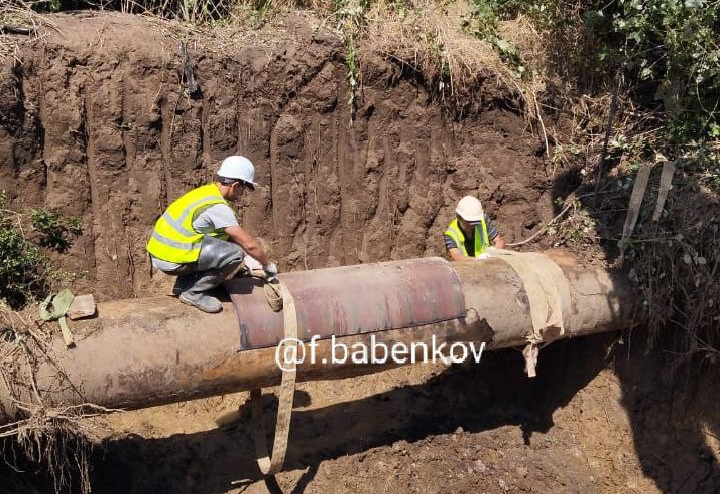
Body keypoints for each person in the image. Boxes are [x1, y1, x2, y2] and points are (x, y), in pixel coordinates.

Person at [146, 156, 278, 313]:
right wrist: (266, 265)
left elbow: (220, 235)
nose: (242, 194)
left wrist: (250, 259)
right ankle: (193, 293)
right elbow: (248, 244)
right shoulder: (218, 208)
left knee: (219, 243)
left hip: (162, 252)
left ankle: (184, 284)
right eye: (244, 189)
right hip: (172, 258)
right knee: (235, 254)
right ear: (236, 185)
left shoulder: (206, 193)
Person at [444, 195, 506, 261]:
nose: (473, 225)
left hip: (488, 265)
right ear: (459, 217)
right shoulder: (451, 234)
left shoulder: (483, 220)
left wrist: (494, 255)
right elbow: (456, 256)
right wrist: (478, 260)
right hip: (467, 268)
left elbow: (499, 241)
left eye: (476, 222)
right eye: (470, 222)